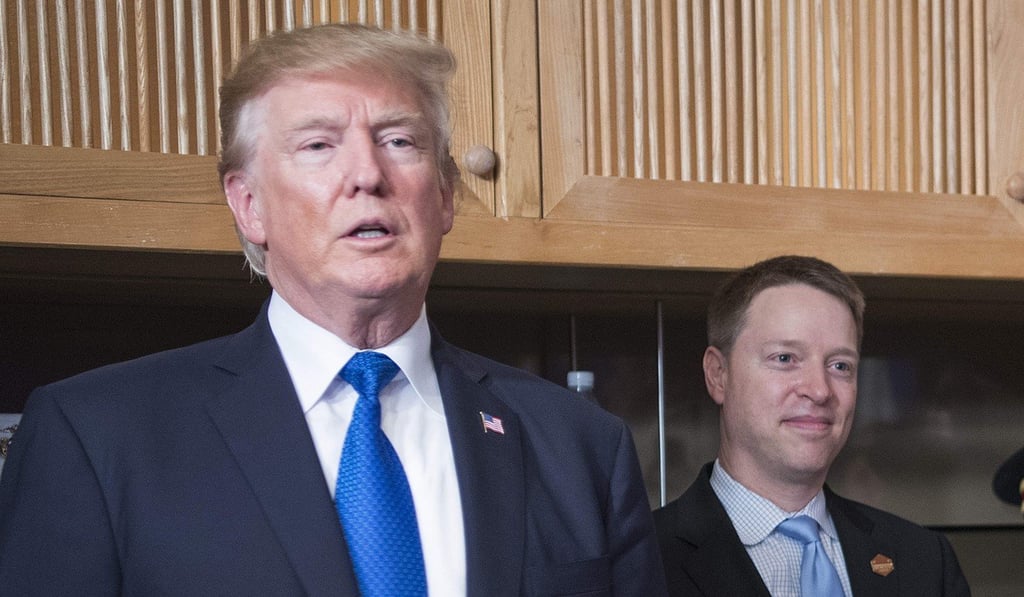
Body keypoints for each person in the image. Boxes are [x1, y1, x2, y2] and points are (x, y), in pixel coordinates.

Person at [0, 23, 667, 596]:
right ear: (249, 205)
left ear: (444, 197)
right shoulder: (94, 437)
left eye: (399, 141)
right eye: (318, 145)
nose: (367, 174)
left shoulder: (581, 445)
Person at [653, 255, 970, 596]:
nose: (819, 390)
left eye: (840, 366)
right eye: (785, 358)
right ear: (718, 375)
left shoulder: (923, 560)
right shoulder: (643, 559)